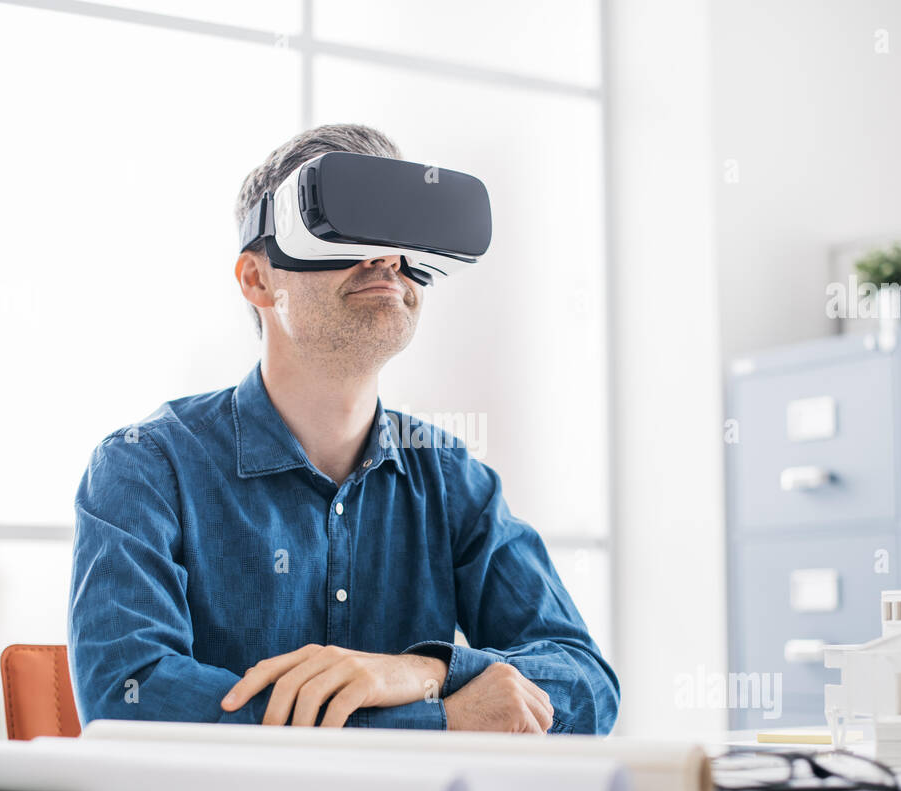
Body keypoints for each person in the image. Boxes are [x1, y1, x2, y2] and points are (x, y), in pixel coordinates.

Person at [68, 123, 619, 734]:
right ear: (258, 279)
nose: (387, 258)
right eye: (352, 224)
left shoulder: (452, 479)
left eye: (402, 231)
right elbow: (129, 696)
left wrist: (422, 672)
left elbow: (585, 681)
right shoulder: (145, 468)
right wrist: (436, 722)